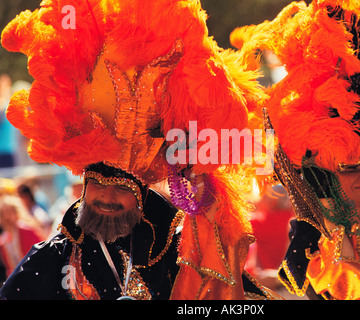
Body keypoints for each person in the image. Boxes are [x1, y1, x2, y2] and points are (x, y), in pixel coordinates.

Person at [0, 0, 275, 300]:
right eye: (97, 187)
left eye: (119, 189)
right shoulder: (56, 255)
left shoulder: (176, 250)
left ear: (141, 196)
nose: (106, 198)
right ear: (82, 190)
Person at [233, 0, 360, 299]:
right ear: (324, 176)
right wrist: (329, 208)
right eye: (350, 168)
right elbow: (345, 282)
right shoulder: (309, 238)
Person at [0, 195, 44, 280]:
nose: (6, 217)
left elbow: (41, 256)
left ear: (16, 212)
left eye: (9, 212)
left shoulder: (28, 231)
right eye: (3, 214)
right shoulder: (4, 241)